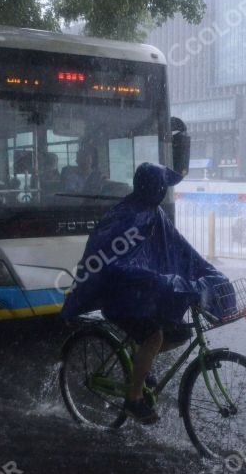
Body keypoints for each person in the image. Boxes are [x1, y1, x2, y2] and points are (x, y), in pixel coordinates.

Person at [62, 163, 229, 424]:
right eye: (162, 186)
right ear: (155, 187)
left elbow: (182, 249)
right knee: (154, 336)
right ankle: (134, 399)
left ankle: (139, 366)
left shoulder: (155, 213)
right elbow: (111, 264)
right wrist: (155, 280)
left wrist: (208, 274)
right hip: (117, 297)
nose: (164, 191)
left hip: (141, 297)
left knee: (180, 333)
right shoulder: (126, 216)